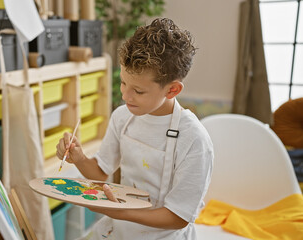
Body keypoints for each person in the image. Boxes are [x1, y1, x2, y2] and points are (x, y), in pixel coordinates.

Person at [56, 18, 213, 239]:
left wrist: (121, 212)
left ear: (172, 90)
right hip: (120, 232)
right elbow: (101, 172)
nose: (125, 96)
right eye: (123, 83)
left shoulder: (194, 139)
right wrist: (79, 157)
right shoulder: (122, 117)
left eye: (138, 91)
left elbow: (178, 216)